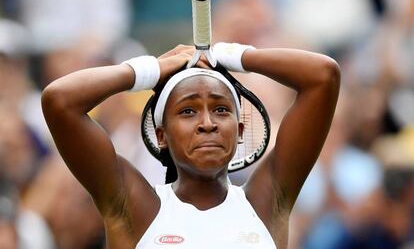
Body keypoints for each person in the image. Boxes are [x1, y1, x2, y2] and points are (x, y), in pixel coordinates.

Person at [41, 43, 340, 248]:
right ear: (161, 135)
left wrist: (228, 54)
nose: (207, 122)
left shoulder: (266, 202)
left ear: (239, 130)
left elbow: (323, 76)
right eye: (188, 111)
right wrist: (152, 70)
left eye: (221, 109)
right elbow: (60, 101)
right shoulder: (134, 207)